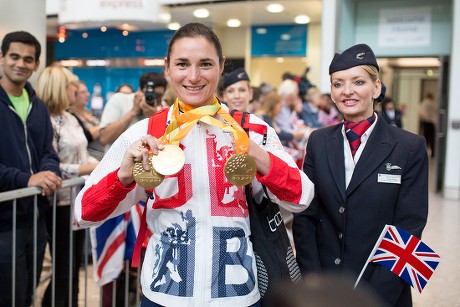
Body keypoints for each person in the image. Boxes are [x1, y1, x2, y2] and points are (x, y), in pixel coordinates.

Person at [74, 22, 314, 307]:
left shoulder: (253, 130)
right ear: (167, 67)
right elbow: (83, 213)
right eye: (182, 64)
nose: (193, 76)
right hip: (163, 296)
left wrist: (257, 154)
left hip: (238, 297)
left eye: (206, 64)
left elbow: (302, 198)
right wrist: (124, 175)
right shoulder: (143, 133)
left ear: (222, 66)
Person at [292, 43, 428, 307]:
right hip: (325, 287)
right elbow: (306, 217)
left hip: (382, 289)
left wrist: (372, 299)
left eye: (358, 82)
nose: (347, 91)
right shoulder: (319, 142)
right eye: (338, 84)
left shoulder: (409, 147)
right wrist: (315, 281)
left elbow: (409, 229)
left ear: (376, 88)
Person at [0, 31, 62, 307]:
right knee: (7, 295)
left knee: (27, 293)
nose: (21, 64)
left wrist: (49, 173)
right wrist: (28, 178)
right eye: (14, 56)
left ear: (36, 64)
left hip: (35, 217)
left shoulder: (38, 107)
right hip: (3, 221)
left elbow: (49, 152)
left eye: (28, 59)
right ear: (1, 58)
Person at [36, 65, 99, 307]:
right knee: (63, 266)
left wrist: (104, 163)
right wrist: (90, 169)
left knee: (73, 266)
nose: (77, 88)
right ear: (61, 88)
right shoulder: (48, 121)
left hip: (78, 199)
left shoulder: (71, 117)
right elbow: (53, 165)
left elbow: (83, 155)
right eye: (73, 84)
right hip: (58, 202)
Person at [99, 72, 167, 151]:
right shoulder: (120, 100)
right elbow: (104, 138)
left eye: (158, 96)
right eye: (148, 94)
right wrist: (133, 112)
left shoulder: (164, 110)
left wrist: (154, 118)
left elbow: (165, 145)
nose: (152, 98)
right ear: (139, 91)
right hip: (117, 161)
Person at [68, 80, 105, 160]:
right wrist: (105, 125)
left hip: (101, 155)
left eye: (87, 91)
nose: (88, 94)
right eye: (83, 92)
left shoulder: (89, 113)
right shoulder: (70, 116)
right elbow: (86, 136)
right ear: (73, 94)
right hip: (89, 157)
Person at [419, 92, 437, 157]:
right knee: (432, 138)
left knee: (426, 137)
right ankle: (433, 153)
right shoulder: (431, 103)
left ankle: (424, 152)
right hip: (431, 122)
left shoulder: (423, 103)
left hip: (425, 122)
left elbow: (421, 112)